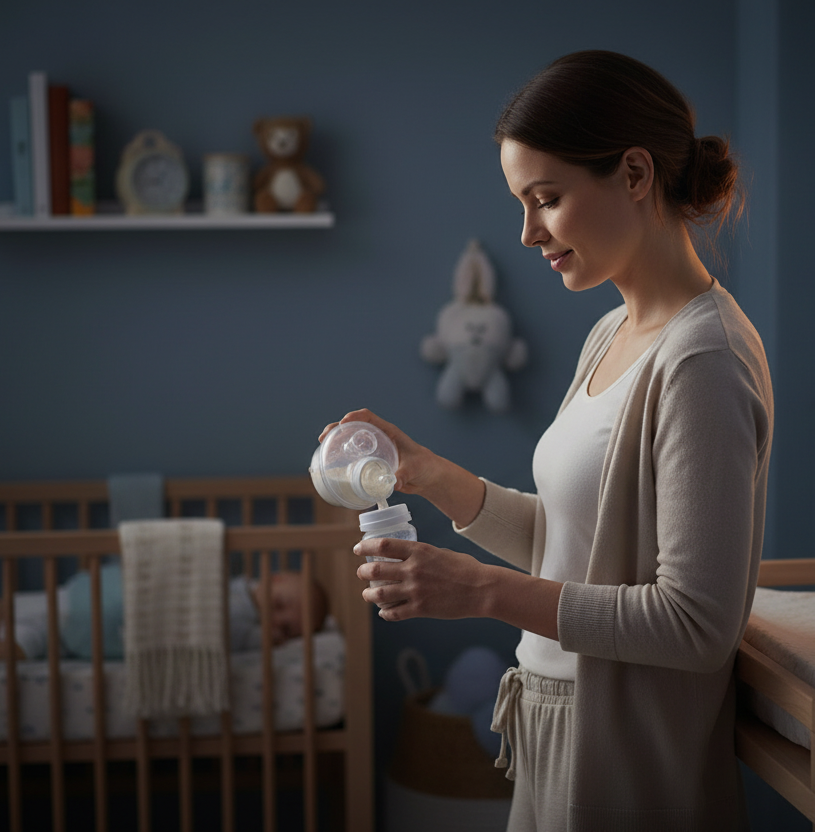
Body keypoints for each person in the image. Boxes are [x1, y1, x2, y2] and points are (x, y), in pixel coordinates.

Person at [331, 50, 772, 831]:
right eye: (522, 203)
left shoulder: (703, 358)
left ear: (634, 174)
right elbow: (571, 544)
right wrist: (430, 473)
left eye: (547, 199)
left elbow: (697, 624)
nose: (529, 232)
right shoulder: (611, 333)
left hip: (626, 749)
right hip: (553, 718)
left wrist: (479, 593)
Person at [0, 567, 327, 660]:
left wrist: (266, 640)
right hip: (90, 609)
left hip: (89, 618)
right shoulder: (227, 580)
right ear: (272, 579)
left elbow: (231, 640)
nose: (277, 621)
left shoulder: (240, 624)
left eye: (288, 629)